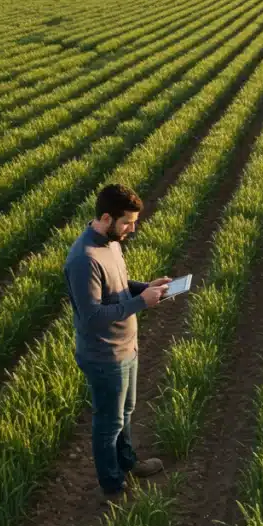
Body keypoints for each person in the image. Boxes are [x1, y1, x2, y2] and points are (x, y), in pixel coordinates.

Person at [65, 183, 173, 504]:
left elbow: (119, 287)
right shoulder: (83, 259)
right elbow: (93, 315)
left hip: (127, 347)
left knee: (126, 412)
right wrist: (143, 302)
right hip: (104, 355)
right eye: (127, 222)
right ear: (107, 217)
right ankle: (112, 486)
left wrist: (145, 288)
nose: (132, 229)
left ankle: (128, 463)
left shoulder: (112, 243)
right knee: (108, 423)